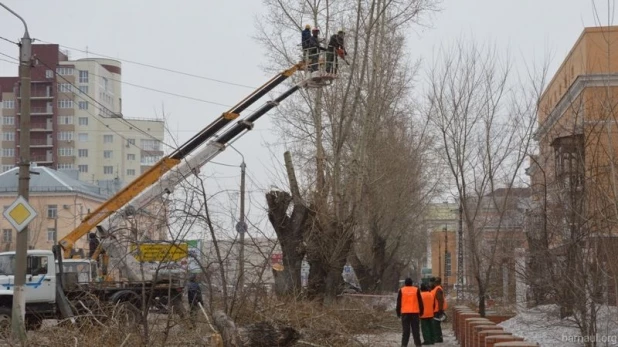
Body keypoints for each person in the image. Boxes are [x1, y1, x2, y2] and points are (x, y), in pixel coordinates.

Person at [396, 277, 425, 347]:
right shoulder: (416, 290)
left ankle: (404, 345)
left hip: (405, 313)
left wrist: (398, 312)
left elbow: (399, 302)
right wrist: (421, 311)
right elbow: (420, 302)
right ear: (412, 283)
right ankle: (418, 345)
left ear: (405, 283)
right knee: (416, 331)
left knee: (406, 332)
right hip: (415, 313)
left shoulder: (401, 290)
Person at [430, 277, 447, 343]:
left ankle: (438, 338)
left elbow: (440, 300)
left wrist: (440, 310)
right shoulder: (437, 289)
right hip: (437, 309)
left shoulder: (438, 289)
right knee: (436, 325)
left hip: (437, 310)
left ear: (435, 283)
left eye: (433, 282)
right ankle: (438, 338)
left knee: (436, 325)